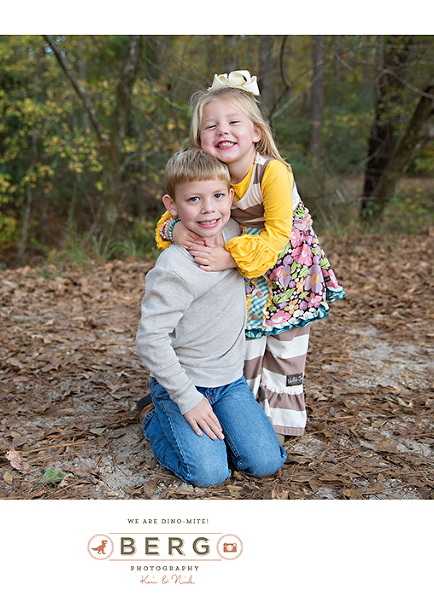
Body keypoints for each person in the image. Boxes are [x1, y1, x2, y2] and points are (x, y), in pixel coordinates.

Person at [155, 70, 345, 440]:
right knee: (248, 339)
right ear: (199, 140)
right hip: (250, 274)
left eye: (233, 122)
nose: (222, 131)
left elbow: (276, 237)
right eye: (211, 126)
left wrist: (228, 259)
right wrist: (176, 230)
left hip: (287, 270)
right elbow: (175, 211)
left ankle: (281, 424)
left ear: (256, 132)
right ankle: (242, 420)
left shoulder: (273, 172)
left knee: (285, 345)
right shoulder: (211, 172)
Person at [136, 147, 286, 488]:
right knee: (208, 473)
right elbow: (149, 340)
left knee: (265, 462)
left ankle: (216, 428)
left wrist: (230, 257)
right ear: (171, 206)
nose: (208, 209)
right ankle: (152, 419)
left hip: (230, 381)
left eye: (218, 195)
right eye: (193, 200)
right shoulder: (175, 267)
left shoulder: (239, 236)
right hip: (185, 383)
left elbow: (278, 242)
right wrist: (188, 399)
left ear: (231, 196)